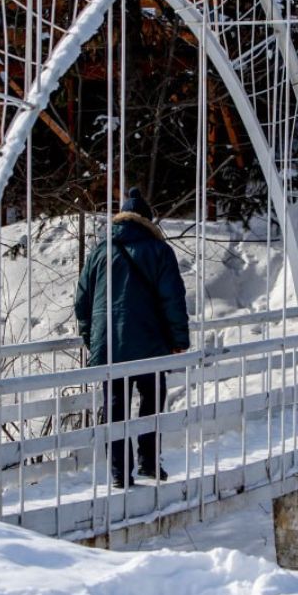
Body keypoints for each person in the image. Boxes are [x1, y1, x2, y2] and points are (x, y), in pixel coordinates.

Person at [74, 187, 190, 488]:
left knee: (115, 407)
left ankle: (118, 473)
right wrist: (179, 341)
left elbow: (82, 303)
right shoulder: (159, 252)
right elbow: (172, 300)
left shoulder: (100, 252)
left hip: (110, 344)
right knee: (151, 400)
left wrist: (92, 338)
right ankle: (149, 462)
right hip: (150, 344)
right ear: (148, 222)